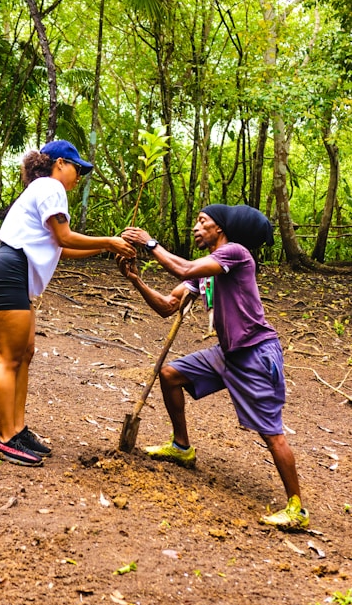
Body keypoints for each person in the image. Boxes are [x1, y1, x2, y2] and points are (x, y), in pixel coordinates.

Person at [118, 204, 309, 529]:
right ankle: (181, 447)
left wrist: (150, 244)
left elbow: (183, 269)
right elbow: (168, 306)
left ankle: (297, 509)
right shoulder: (207, 269)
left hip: (255, 355)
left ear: (219, 230)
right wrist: (135, 279)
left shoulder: (235, 253)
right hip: (227, 354)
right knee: (170, 375)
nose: (196, 227)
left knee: (272, 433)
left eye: (202, 222)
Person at [0, 140, 136, 467]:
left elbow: (61, 248)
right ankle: (4, 440)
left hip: (13, 274)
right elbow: (64, 237)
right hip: (8, 271)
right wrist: (109, 240)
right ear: (60, 163)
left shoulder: (42, 191)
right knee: (8, 358)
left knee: (25, 353)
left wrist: (107, 249)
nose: (79, 177)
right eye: (77, 169)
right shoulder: (49, 185)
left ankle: (17, 429)